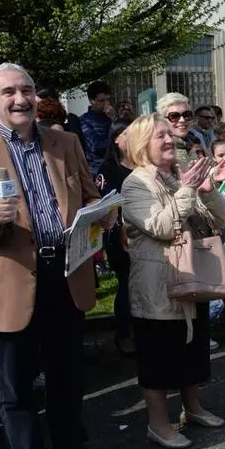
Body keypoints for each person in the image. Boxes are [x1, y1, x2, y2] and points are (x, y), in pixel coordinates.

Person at [0, 63, 115, 449]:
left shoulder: (66, 142)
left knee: (67, 375)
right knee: (16, 385)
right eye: (9, 92)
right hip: (8, 283)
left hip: (66, 273)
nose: (20, 98)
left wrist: (103, 211)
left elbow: (87, 195)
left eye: (26, 89)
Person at [121, 113, 225, 449]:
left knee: (192, 348)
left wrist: (207, 191)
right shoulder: (135, 183)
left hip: (190, 279)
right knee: (158, 358)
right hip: (157, 286)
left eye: (171, 135)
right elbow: (163, 227)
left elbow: (221, 219)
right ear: (142, 145)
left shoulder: (174, 177)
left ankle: (193, 408)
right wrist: (186, 189)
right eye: (161, 136)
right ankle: (158, 423)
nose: (171, 140)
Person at [98, 118, 136, 355]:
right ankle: (124, 334)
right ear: (116, 139)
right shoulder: (109, 169)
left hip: (146, 233)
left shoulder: (144, 164)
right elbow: (105, 204)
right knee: (127, 285)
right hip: (119, 235)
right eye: (127, 134)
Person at [79, 80, 113, 176]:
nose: (106, 104)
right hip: (97, 168)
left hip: (115, 165)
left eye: (108, 100)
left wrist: (113, 119)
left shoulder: (111, 117)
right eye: (101, 101)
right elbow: (95, 147)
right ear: (92, 100)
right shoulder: (84, 121)